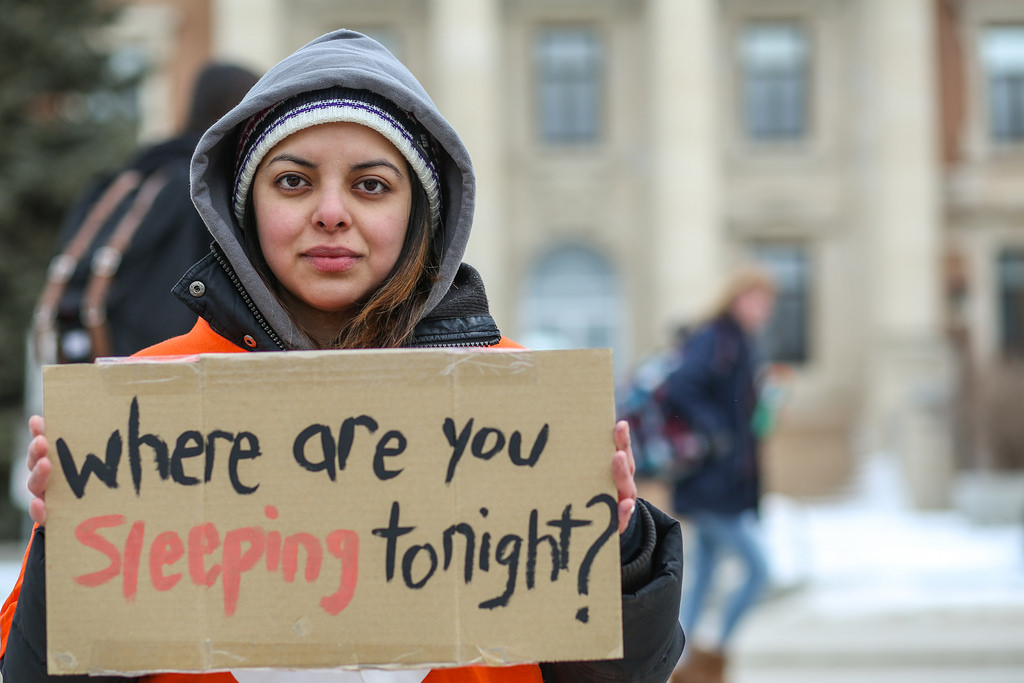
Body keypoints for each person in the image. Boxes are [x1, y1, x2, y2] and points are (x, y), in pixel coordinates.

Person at [0, 30, 684, 683]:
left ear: (420, 211)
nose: (331, 212)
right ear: (245, 210)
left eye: (371, 185)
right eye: (294, 182)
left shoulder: (517, 407)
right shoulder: (149, 406)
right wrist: (71, 549)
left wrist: (614, 552)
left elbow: (614, 670)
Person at [665, 267, 777, 683]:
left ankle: (684, 659)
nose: (764, 310)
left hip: (726, 483)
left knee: (704, 576)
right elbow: (682, 386)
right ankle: (715, 652)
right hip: (712, 483)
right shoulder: (716, 337)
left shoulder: (741, 343)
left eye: (768, 303)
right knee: (760, 569)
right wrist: (719, 433)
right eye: (757, 300)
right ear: (736, 299)